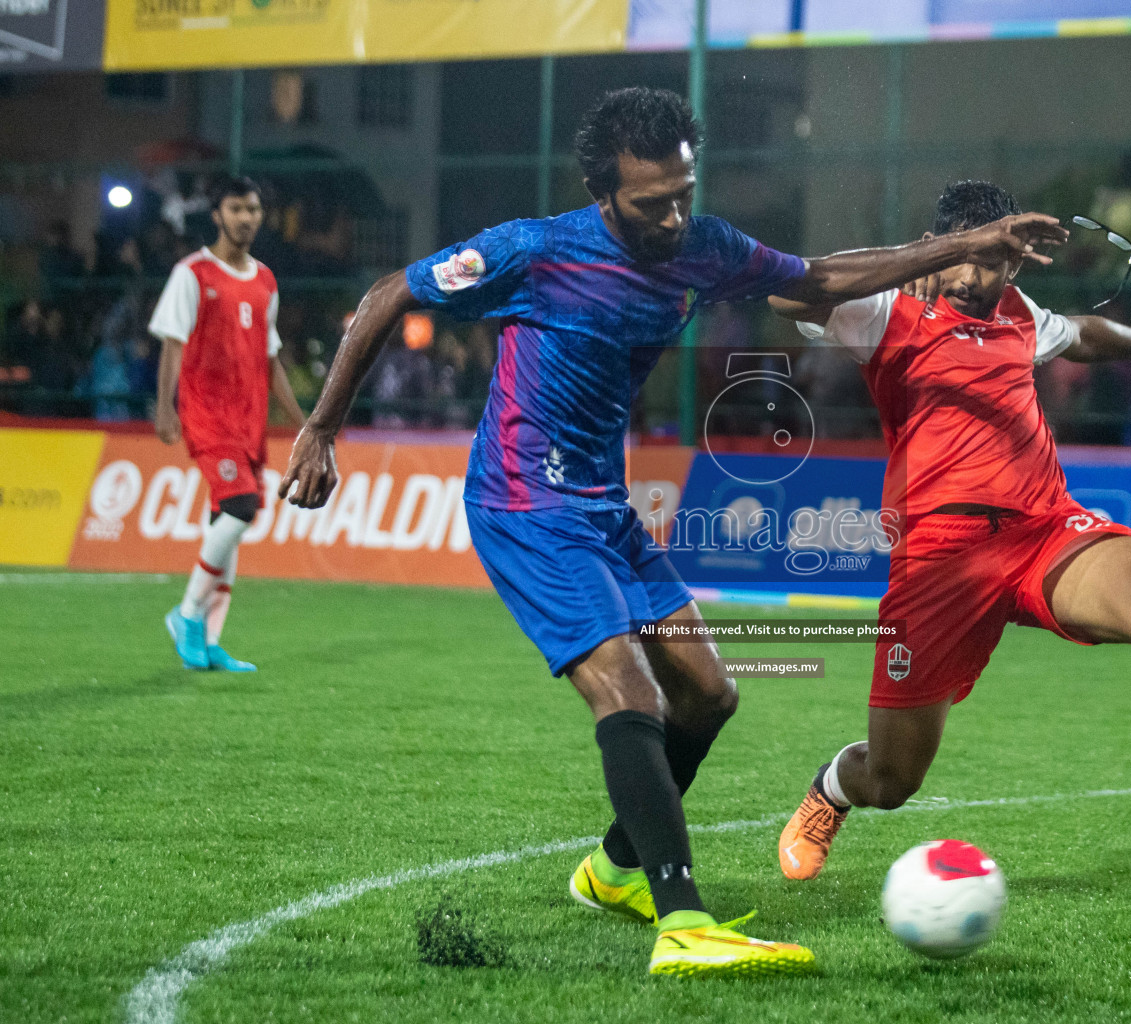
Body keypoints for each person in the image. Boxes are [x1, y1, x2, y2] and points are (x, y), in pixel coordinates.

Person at [277, 88, 1063, 978]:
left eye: (683, 192)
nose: (673, 216)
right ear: (601, 190)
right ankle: (683, 924)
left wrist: (962, 245)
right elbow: (389, 293)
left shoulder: (703, 247)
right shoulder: (533, 251)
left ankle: (615, 871)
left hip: (604, 509)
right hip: (526, 502)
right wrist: (321, 427)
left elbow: (816, 280)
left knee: (709, 696)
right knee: (632, 696)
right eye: (652, 203)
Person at [768, 180, 1131, 882]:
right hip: (938, 562)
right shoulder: (886, 308)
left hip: (1043, 528)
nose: (972, 276)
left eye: (991, 261)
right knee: (893, 778)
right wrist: (938, 250)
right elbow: (792, 291)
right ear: (939, 249)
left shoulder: (1019, 312)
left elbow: (1083, 334)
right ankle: (830, 792)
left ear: (1014, 262)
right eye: (962, 257)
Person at [151, 175, 308, 673]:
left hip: (248, 421)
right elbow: (172, 344)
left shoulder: (265, 280)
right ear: (216, 214)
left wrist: (304, 421)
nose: (246, 218)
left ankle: (210, 640)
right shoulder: (192, 273)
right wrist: (164, 406)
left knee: (228, 522)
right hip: (207, 415)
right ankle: (187, 614)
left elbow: (271, 356)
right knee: (240, 507)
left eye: (253, 209)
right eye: (236, 208)